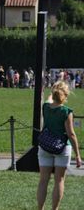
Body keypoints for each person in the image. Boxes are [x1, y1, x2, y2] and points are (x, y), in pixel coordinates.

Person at [37, 81, 81, 210]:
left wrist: (53, 89)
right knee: (59, 180)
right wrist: (78, 155)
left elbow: (49, 98)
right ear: (66, 95)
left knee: (43, 180)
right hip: (62, 148)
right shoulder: (66, 111)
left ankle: (40, 208)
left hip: (45, 146)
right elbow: (71, 134)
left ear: (54, 93)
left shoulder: (45, 107)